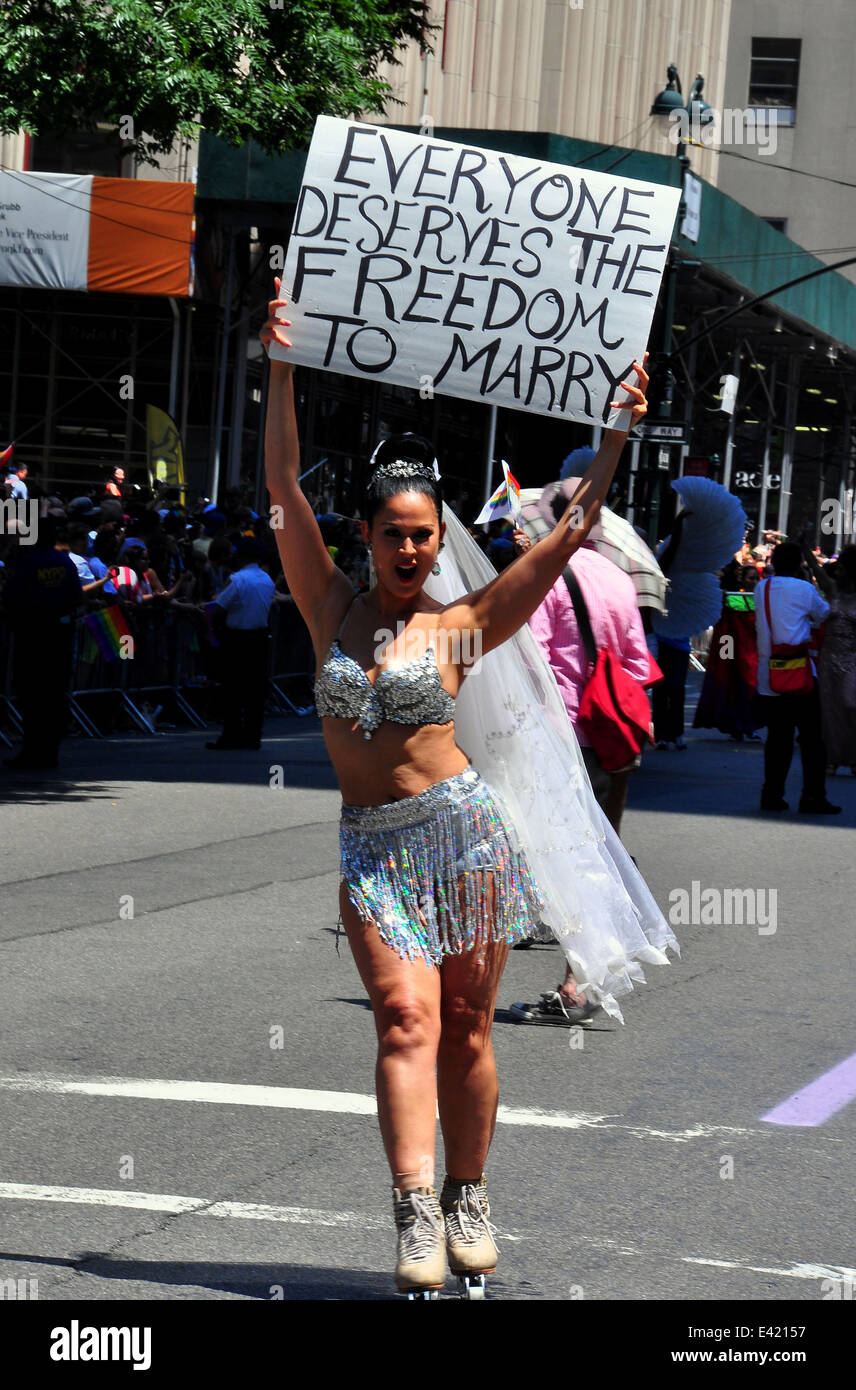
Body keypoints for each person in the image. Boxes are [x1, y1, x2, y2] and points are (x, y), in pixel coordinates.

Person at [259, 278, 667, 1297]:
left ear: (442, 539)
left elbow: (567, 532)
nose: (409, 548)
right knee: (404, 1018)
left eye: (424, 533)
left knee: (468, 1026)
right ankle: (410, 1211)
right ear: (366, 534)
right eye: (393, 531)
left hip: (464, 841)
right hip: (374, 851)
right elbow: (281, 488)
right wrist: (278, 365)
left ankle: (469, 1193)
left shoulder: (466, 622)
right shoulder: (328, 607)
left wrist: (614, 434)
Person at [513, 477, 652, 1025]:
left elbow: (532, 660)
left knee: (563, 859)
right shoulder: (619, 579)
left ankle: (577, 985)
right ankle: (583, 979)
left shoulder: (548, 575)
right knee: (594, 858)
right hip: (612, 735)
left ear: (552, 519)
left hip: (560, 736)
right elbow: (640, 666)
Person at [755, 541, 839, 814]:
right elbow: (824, 614)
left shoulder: (761, 588)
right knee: (813, 740)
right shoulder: (804, 589)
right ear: (799, 565)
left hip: (770, 675)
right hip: (800, 674)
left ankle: (772, 795)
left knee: (778, 739)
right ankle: (812, 796)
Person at [2, 514, 83, 770]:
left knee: (32, 696)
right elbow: (76, 598)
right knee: (54, 697)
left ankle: (32, 752)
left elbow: (11, 598)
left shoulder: (27, 563)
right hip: (60, 636)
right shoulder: (65, 562)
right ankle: (49, 753)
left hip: (33, 637)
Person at [206, 537, 275, 751]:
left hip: (236, 638)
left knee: (232, 689)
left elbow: (220, 608)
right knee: (255, 690)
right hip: (259, 638)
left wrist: (218, 631)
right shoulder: (266, 579)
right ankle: (253, 735)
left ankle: (231, 734)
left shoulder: (237, 580)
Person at [815, 546, 856, 774]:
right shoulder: (832, 591)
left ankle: (852, 756)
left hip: (853, 658)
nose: (836, 572)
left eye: (841, 568)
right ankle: (831, 758)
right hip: (829, 657)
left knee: (851, 705)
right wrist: (803, 548)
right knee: (829, 709)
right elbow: (818, 572)